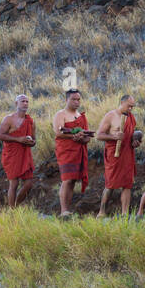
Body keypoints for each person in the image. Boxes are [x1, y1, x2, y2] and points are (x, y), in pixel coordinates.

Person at [97, 95, 142, 217]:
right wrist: (114, 137)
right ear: (122, 102)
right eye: (129, 106)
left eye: (132, 107)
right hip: (114, 155)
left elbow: (130, 136)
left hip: (128, 154)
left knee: (127, 184)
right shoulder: (110, 115)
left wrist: (135, 143)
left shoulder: (131, 118)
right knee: (110, 185)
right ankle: (102, 212)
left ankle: (124, 214)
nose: (131, 109)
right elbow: (99, 135)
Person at [53, 89, 92, 217]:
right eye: (73, 99)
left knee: (73, 180)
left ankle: (67, 210)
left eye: (78, 99)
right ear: (67, 100)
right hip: (66, 151)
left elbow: (87, 137)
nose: (76, 102)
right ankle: (63, 211)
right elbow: (59, 132)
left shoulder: (81, 117)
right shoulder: (60, 114)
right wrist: (74, 135)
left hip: (79, 151)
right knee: (67, 179)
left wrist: (82, 138)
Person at [0, 94, 35, 207]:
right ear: (16, 103)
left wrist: (31, 142)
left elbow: (34, 140)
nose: (25, 103)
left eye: (27, 101)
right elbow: (0, 135)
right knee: (14, 183)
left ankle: (16, 205)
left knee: (29, 184)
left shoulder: (30, 121)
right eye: (23, 101)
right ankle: (12, 210)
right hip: (12, 155)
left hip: (25, 154)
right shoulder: (8, 119)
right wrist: (19, 139)